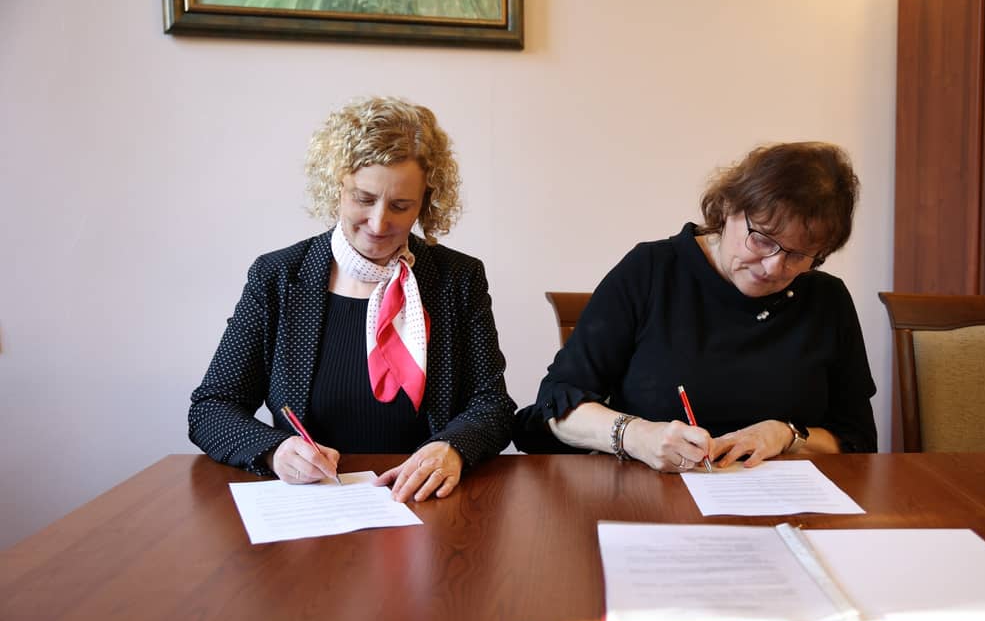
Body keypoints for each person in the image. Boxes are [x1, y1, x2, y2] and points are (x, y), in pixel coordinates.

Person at [190, 96, 515, 501]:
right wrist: (275, 450)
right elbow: (212, 407)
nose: (379, 223)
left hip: (423, 501)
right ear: (336, 187)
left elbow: (493, 405)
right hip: (313, 503)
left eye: (401, 205)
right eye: (363, 199)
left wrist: (453, 448)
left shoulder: (458, 279)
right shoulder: (279, 277)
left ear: (425, 203)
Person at [513, 141, 876, 470]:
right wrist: (636, 436)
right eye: (762, 240)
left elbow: (856, 439)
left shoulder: (826, 299)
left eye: (798, 255)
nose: (773, 267)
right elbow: (555, 405)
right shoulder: (652, 271)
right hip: (652, 501)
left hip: (787, 507)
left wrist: (787, 436)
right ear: (729, 207)